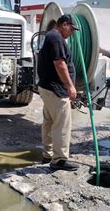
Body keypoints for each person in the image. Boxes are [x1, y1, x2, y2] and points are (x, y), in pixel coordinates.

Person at [37, 14, 79, 171]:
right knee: (62, 124)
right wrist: (70, 86)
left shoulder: (51, 36)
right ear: (65, 24)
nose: (72, 33)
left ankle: (47, 154)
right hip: (55, 89)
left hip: (47, 87)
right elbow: (60, 64)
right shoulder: (56, 37)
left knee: (49, 121)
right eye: (72, 29)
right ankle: (59, 159)